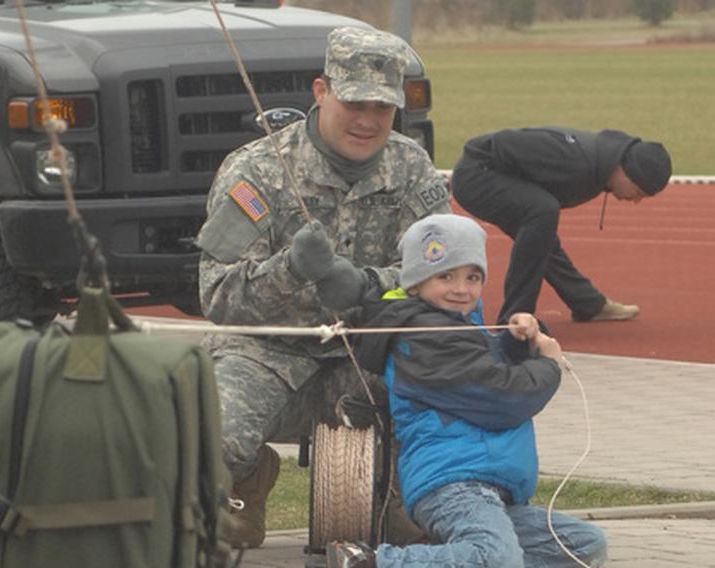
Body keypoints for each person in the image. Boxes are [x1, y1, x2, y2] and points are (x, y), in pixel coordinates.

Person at [194, 26, 452, 548]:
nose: (367, 120)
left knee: (443, 392)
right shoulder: (257, 170)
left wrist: (368, 286)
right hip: (265, 353)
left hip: (365, 353)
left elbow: (442, 281)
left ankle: (397, 496)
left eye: (382, 107)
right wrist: (291, 269)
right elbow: (218, 295)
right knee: (212, 436)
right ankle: (245, 480)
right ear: (321, 91)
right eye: (354, 101)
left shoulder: (412, 169)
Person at [327, 213, 608, 568]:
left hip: (493, 490)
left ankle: (451, 557)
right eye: (446, 276)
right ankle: (370, 562)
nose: (461, 289)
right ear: (415, 283)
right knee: (495, 558)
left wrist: (517, 342)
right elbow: (502, 397)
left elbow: (487, 365)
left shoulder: (461, 328)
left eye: (472, 277)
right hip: (453, 484)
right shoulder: (423, 339)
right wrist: (548, 365)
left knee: (583, 546)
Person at [451, 126, 672, 325]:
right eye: (639, 192)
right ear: (627, 171)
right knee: (542, 211)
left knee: (541, 229)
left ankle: (588, 304)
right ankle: (516, 318)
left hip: (494, 174)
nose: (636, 200)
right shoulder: (574, 160)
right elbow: (502, 142)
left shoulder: (600, 167)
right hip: (476, 175)